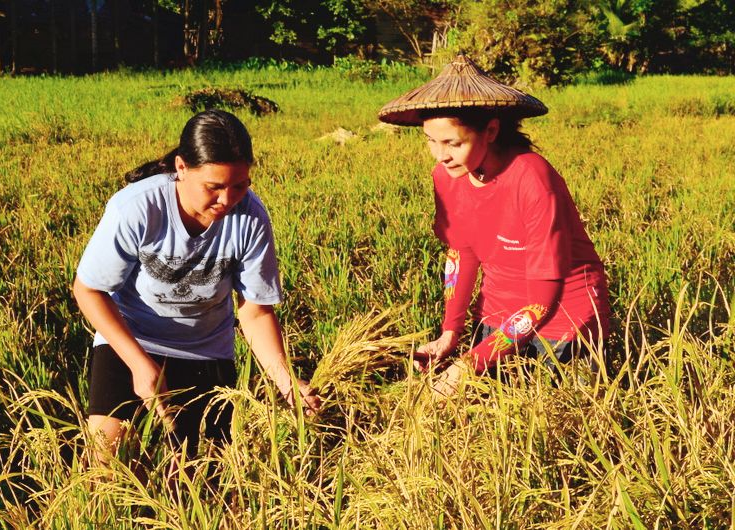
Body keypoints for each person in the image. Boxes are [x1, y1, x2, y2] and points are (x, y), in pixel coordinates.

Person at [73, 109, 320, 460]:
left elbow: (254, 313)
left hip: (205, 350)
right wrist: (139, 364)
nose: (227, 200)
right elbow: (88, 290)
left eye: (240, 185)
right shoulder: (137, 208)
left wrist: (285, 381)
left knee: (200, 475)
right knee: (107, 461)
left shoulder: (250, 218)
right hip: (131, 340)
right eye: (214, 187)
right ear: (181, 168)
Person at [378, 56, 611, 397]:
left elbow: (544, 298)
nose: (439, 155)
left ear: (490, 131)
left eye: (453, 143)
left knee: (555, 422)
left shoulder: (531, 178)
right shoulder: (446, 176)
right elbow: (461, 252)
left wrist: (470, 363)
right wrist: (450, 332)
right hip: (498, 314)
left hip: (563, 320)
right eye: (430, 141)